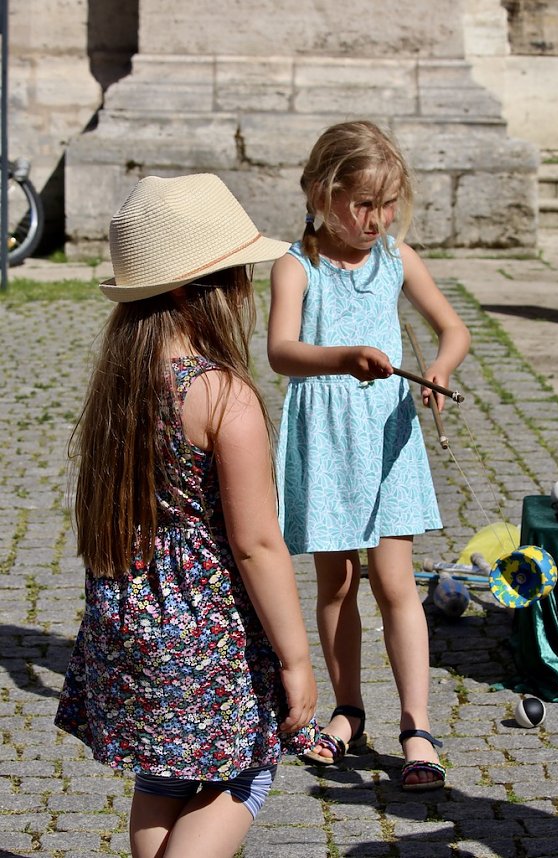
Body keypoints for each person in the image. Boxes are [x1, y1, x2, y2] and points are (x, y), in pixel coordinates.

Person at [55, 173, 318, 858]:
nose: (246, 287)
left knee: (164, 777)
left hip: (128, 620)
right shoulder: (223, 396)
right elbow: (258, 543)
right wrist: (295, 658)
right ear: (198, 288)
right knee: (248, 769)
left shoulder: (122, 379)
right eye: (238, 272)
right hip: (206, 634)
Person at [267, 120, 471, 791]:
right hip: (325, 438)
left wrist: (439, 366)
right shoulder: (295, 266)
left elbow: (453, 329)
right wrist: (341, 359)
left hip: (385, 438)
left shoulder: (397, 259)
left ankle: (417, 726)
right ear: (322, 194)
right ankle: (348, 709)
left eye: (388, 206)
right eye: (363, 206)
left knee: (393, 584)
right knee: (337, 584)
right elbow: (280, 352)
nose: (377, 220)